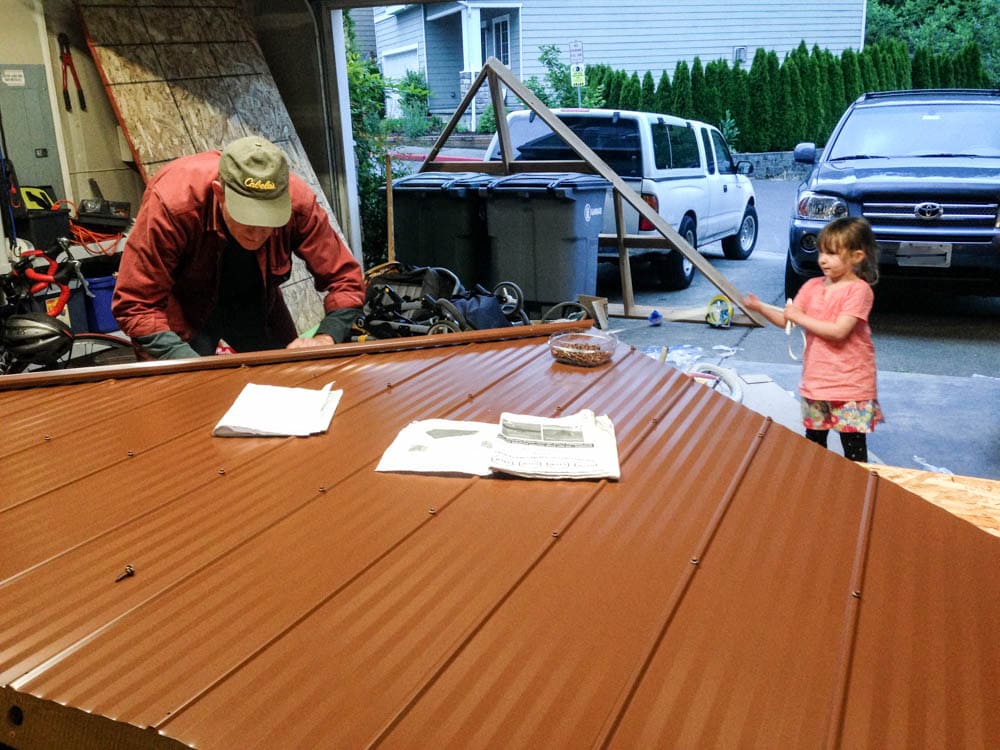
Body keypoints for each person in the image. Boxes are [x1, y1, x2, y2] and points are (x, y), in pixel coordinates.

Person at [112, 136, 365, 359]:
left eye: (269, 221)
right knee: (191, 400)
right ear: (219, 193)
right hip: (185, 310)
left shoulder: (298, 202)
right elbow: (136, 304)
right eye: (247, 219)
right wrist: (190, 366)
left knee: (284, 381)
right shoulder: (172, 203)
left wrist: (326, 337)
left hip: (256, 303)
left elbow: (345, 279)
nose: (257, 234)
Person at [743, 216, 883, 462]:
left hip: (851, 386)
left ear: (856, 256)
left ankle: (857, 494)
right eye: (821, 252)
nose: (823, 259)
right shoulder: (811, 286)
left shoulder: (859, 291)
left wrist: (799, 317)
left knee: (854, 451)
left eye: (832, 253)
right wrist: (760, 307)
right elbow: (788, 320)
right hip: (817, 382)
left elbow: (839, 331)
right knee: (814, 447)